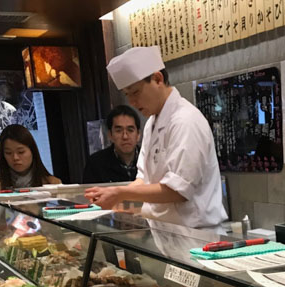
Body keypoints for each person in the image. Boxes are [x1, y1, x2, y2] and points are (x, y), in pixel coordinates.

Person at [85, 46, 227, 229]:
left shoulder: (186, 120)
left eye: (135, 92)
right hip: (164, 234)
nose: (132, 103)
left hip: (196, 237)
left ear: (158, 79)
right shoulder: (152, 123)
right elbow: (143, 178)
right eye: (127, 95)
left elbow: (177, 191)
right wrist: (114, 196)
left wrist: (120, 193)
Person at [83, 105, 141, 183]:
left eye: (130, 130)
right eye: (118, 131)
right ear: (110, 135)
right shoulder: (95, 164)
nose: (125, 136)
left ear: (138, 135)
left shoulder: (150, 159)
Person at [0, 124, 61, 190]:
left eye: (21, 152)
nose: (15, 157)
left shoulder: (52, 183)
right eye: (8, 153)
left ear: (32, 151)